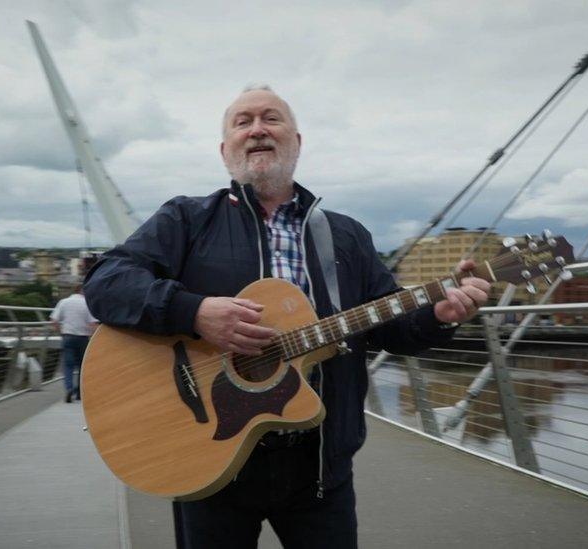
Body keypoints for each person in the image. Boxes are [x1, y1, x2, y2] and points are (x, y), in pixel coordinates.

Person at [83, 85, 490, 548]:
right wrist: (194, 312)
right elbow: (105, 281)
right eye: (243, 122)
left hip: (320, 469)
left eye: (271, 119)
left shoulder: (346, 236)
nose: (257, 129)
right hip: (208, 461)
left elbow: (392, 329)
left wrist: (437, 315)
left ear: (297, 141)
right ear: (225, 150)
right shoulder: (187, 219)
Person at [50, 284, 98, 403]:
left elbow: (54, 320)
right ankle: (79, 392)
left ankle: (69, 388)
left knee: (68, 365)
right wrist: (93, 338)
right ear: (82, 291)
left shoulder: (63, 302)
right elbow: (93, 324)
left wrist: (60, 332)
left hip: (68, 335)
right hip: (82, 338)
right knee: (83, 366)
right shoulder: (86, 303)